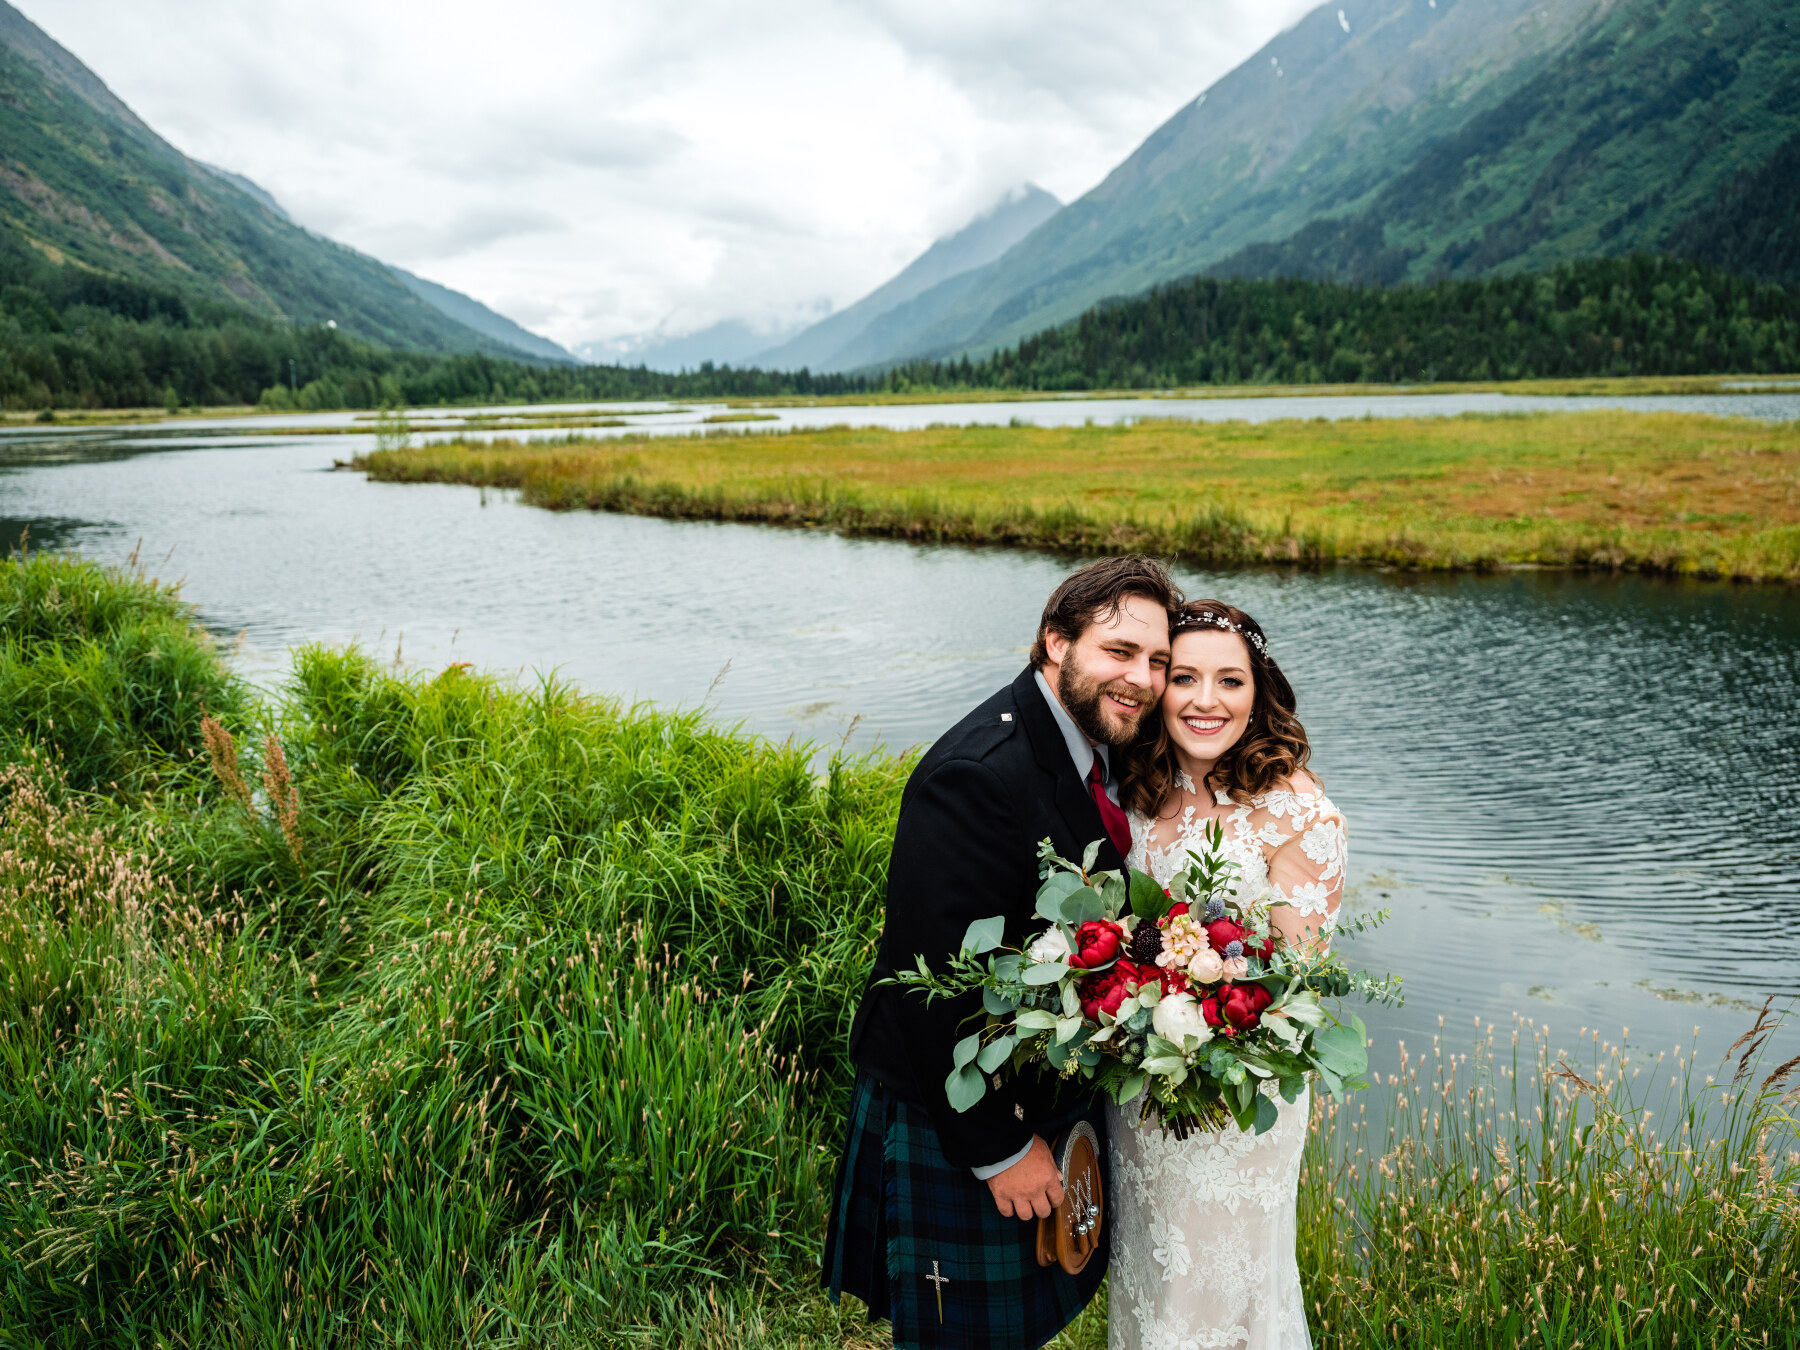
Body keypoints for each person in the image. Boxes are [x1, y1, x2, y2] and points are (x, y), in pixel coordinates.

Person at [823, 554, 1181, 1350]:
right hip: (957, 1107)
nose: (1144, 679)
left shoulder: (1097, 743)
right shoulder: (976, 777)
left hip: (1033, 1082)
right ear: (1056, 643)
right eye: (1119, 652)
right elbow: (933, 990)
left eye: (1157, 661)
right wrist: (1000, 1151)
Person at [1107, 598, 1346, 1350]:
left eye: (1230, 681)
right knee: (1152, 1282)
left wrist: (1202, 1010)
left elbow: (1291, 988)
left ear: (1259, 693)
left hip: (1237, 1098)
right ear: (1159, 688)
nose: (1206, 701)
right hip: (1140, 1083)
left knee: (1219, 1294)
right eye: (1184, 677)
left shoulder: (1300, 815)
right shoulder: (1137, 788)